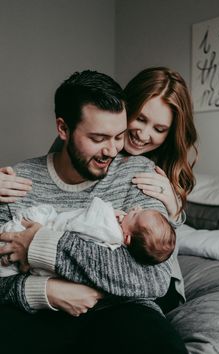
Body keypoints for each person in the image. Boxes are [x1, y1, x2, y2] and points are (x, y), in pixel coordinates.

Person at [0, 69, 188, 354]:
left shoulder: (140, 175)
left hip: (121, 312)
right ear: (63, 129)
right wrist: (43, 291)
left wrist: (41, 245)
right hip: (35, 310)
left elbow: (155, 278)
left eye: (118, 136)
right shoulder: (17, 180)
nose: (112, 150)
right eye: (98, 138)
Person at [0, 197, 176, 277]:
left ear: (127, 239)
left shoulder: (111, 232)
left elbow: (81, 225)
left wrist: (106, 213)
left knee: (19, 227)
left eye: (137, 215)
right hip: (46, 233)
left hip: (50, 229)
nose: (137, 207)